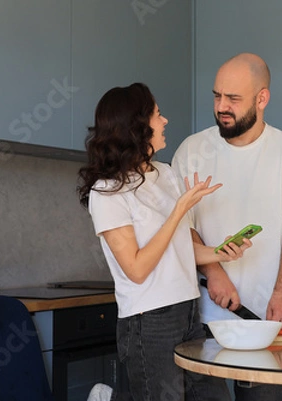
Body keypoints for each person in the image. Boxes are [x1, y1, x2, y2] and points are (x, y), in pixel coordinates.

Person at [78, 82, 250, 401]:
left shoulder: (165, 173)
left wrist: (221, 252)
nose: (165, 120)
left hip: (186, 309)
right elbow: (137, 269)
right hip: (148, 322)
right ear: (137, 126)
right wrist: (180, 209)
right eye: (158, 114)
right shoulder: (107, 192)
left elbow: (178, 248)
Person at [172, 53, 282, 401]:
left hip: (266, 321)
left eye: (233, 99)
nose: (222, 106)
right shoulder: (191, 150)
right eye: (217, 96)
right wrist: (213, 271)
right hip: (200, 321)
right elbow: (180, 224)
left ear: (262, 98)